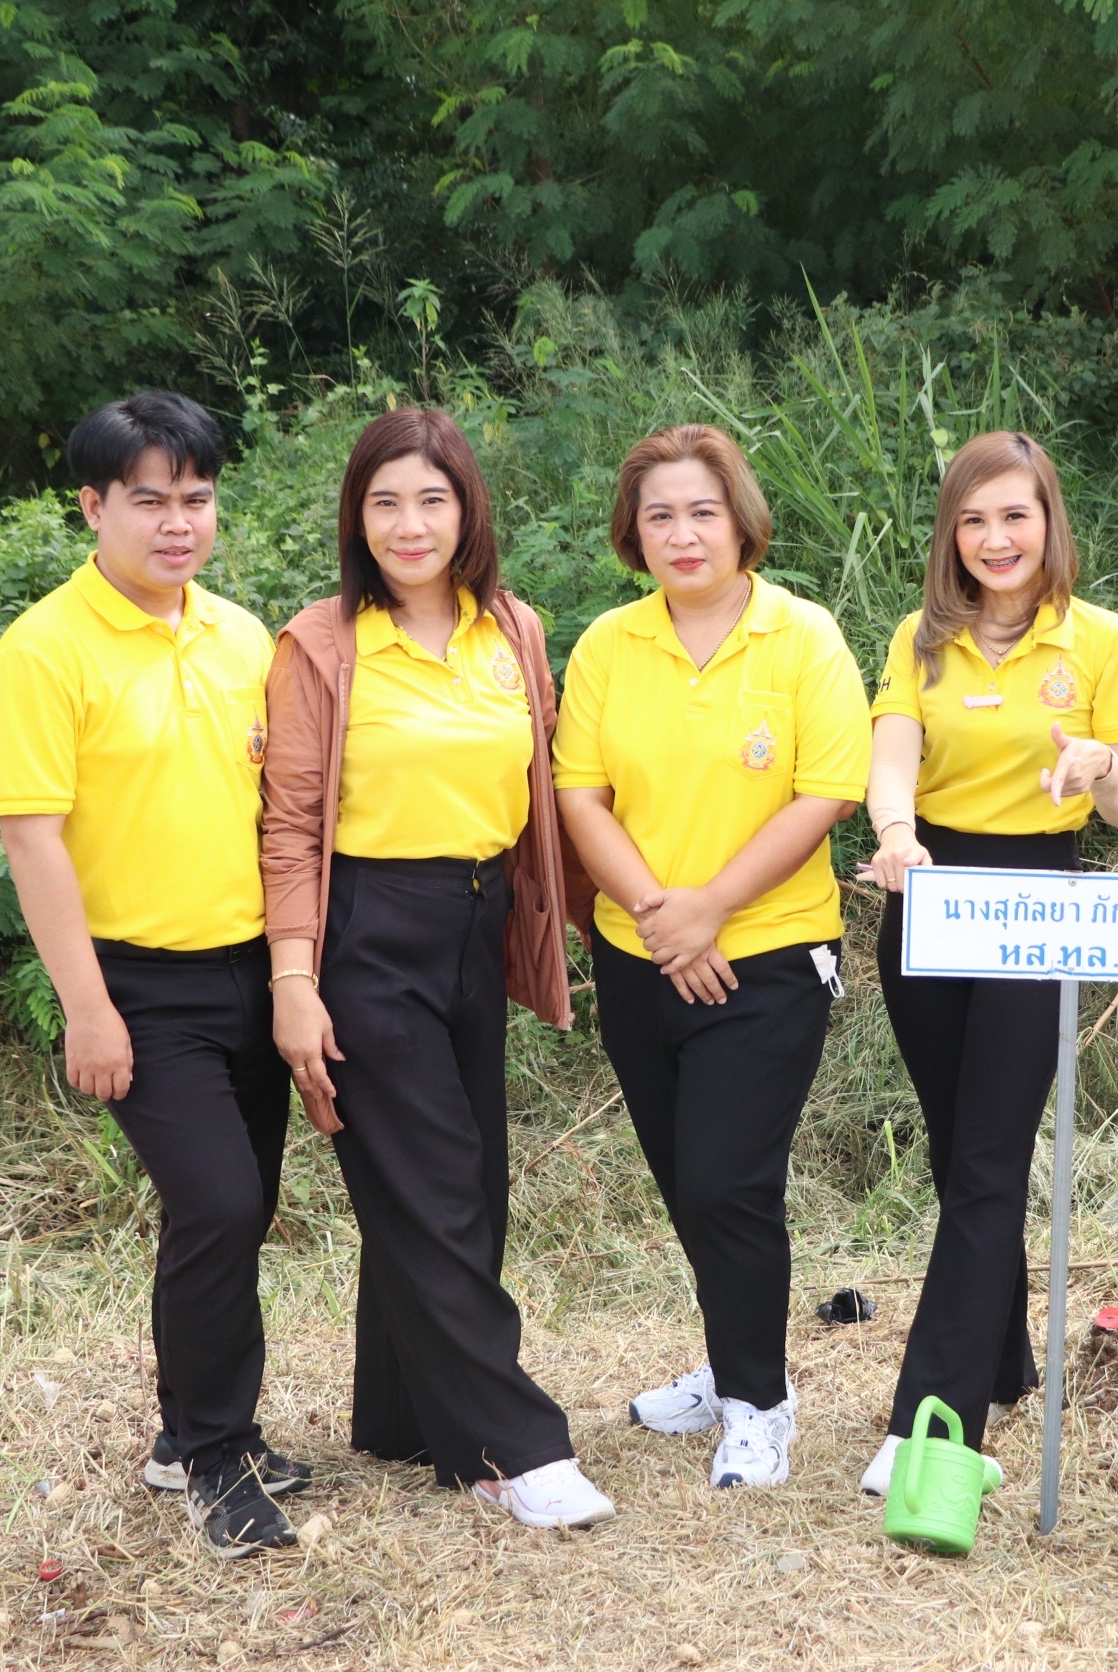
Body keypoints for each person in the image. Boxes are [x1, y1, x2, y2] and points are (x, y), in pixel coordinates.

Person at [258, 407, 614, 1530]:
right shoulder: (320, 645)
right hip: (369, 928)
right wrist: (293, 982)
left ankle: (404, 1411)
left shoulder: (512, 628)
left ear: (467, 511)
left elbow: (543, 790)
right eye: (384, 502)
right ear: (355, 519)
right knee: (432, 1184)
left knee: (470, 1181)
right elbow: (290, 826)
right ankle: (515, 1445)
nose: (409, 525)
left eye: (431, 499)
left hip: (477, 920)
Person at [0, 391, 307, 1558]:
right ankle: (217, 1458)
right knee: (217, 1203)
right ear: (93, 506)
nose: (177, 523)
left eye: (197, 499)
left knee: (241, 1204)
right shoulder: (41, 652)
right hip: (137, 985)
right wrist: (88, 1008)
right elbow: (33, 840)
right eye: (149, 500)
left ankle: (189, 1432)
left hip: (249, 969)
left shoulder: (244, 638)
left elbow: (282, 815)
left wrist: (292, 973)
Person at [552, 424, 870, 1489]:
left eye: (702, 511)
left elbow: (827, 793)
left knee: (729, 1181)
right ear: (633, 533)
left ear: (741, 521)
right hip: (639, 953)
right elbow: (579, 795)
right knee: (687, 1181)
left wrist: (712, 909)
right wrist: (659, 915)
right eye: (660, 516)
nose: (683, 534)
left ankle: (760, 1403)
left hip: (767, 955)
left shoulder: (803, 636)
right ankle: (733, 1359)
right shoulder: (609, 645)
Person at [853, 431, 1118, 1496]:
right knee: (957, 1152)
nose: (995, 538)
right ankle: (1001, 1353)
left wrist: (1102, 765)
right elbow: (893, 761)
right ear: (952, 532)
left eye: (1014, 515)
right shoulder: (921, 639)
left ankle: (934, 1422)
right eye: (974, 519)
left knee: (989, 1158)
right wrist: (896, 834)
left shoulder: (1101, 639)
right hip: (931, 896)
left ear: (1048, 521)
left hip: (1038, 903)